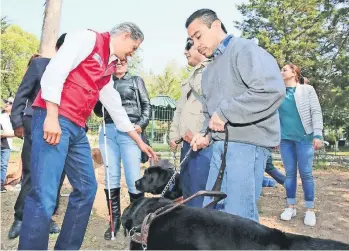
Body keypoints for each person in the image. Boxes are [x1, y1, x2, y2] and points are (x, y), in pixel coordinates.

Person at [18, 23, 157, 250]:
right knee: (44, 194)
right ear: (125, 36)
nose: (133, 52)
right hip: (55, 117)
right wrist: (51, 116)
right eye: (134, 46)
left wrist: (139, 141)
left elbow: (114, 105)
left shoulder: (109, 66)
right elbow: (56, 70)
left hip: (77, 128)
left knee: (86, 188)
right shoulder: (88, 39)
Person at [186, 9, 285, 222]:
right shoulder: (209, 70)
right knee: (213, 216)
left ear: (216, 25)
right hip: (220, 148)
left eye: (198, 36)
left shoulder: (244, 49)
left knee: (239, 221)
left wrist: (225, 112)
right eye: (191, 40)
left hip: (247, 146)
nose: (196, 44)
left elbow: (271, 90)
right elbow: (210, 113)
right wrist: (205, 135)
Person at [9, 35, 67, 240]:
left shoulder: (75, 73)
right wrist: (17, 122)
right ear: (59, 48)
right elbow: (22, 94)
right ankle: (20, 217)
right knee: (32, 172)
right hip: (35, 124)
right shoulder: (40, 64)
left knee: (57, 175)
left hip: (63, 129)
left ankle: (48, 216)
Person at [93, 59, 151, 240]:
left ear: (127, 63)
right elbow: (96, 110)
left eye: (123, 60)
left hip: (130, 131)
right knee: (111, 176)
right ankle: (114, 221)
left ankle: (136, 222)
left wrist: (141, 125)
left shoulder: (135, 80)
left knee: (134, 177)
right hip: (108, 131)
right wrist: (97, 91)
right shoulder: (105, 81)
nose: (119, 63)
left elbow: (147, 105)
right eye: (115, 61)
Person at [169, 38, 212, 208]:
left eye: (189, 46)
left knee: (200, 193)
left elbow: (214, 105)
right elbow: (180, 109)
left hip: (203, 145)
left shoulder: (212, 69)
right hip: (187, 144)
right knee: (187, 191)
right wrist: (174, 135)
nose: (185, 52)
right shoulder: (193, 74)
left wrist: (200, 134)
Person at [279, 63, 323, 227]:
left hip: (305, 138)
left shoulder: (307, 90)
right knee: (289, 174)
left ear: (294, 73)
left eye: (284, 69)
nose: (281, 72)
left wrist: (317, 134)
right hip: (285, 140)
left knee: (306, 174)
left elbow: (316, 111)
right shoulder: (279, 92)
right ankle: (290, 207)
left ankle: (310, 210)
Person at [1, 97, 14, 192]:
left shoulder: (15, 118)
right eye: (6, 102)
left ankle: (1, 184)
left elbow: (17, 133)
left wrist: (3, 134)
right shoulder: (1, 116)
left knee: (3, 164)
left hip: (7, 144)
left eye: (10, 103)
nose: (7, 104)